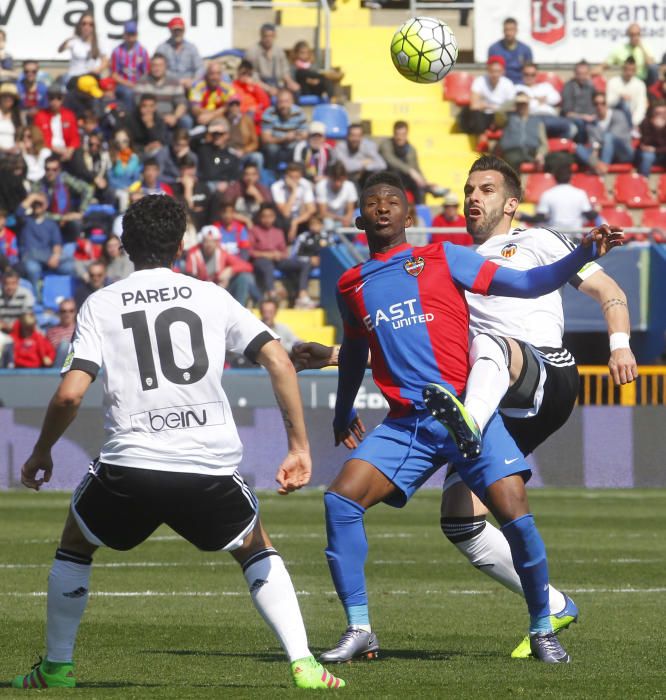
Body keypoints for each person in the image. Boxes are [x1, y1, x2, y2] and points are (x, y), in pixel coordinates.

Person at [293, 157, 633, 660]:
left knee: (490, 344)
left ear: (511, 202)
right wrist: (335, 361)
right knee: (460, 522)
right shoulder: (428, 267)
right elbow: (410, 338)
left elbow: (594, 288)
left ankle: (469, 426)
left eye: (488, 189)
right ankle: (552, 606)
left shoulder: (525, 243)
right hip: (467, 394)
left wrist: (619, 342)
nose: (475, 197)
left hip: (540, 369)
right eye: (469, 188)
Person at [11, 194, 345, 691]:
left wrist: (41, 452)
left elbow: (69, 395)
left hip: (130, 466)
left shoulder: (100, 304)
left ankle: (57, 668)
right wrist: (299, 446)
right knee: (256, 547)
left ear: (124, 244)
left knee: (76, 544)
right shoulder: (211, 295)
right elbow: (278, 359)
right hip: (207, 465)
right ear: (182, 243)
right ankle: (305, 665)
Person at [249, 203, 313, 307]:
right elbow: (250, 252)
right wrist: (266, 255)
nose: (267, 219)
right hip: (261, 260)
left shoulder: (278, 232)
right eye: (264, 216)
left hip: (278, 260)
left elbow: (285, 252)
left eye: (270, 216)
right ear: (260, 217)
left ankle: (302, 294)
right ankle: (272, 294)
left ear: (274, 217)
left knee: (305, 263)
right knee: (266, 265)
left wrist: (278, 254)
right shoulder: (254, 230)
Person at [16, 192, 75, 294]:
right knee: (33, 269)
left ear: (46, 205)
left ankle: (67, 296)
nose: (37, 205)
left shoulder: (51, 223)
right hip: (31, 258)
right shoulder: (25, 220)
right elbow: (18, 212)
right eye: (35, 203)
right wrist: (33, 197)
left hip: (49, 259)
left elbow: (57, 243)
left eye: (40, 203)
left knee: (69, 266)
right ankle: (36, 298)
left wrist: (56, 256)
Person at [516, 163, 600, 232]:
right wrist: (596, 211)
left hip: (556, 236)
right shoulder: (580, 193)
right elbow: (589, 215)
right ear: (571, 177)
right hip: (575, 234)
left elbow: (540, 218)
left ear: (554, 178)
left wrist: (523, 217)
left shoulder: (547, 194)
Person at [185, 224, 254, 306]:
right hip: (201, 291)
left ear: (217, 242)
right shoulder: (194, 254)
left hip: (220, 289)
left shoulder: (222, 253)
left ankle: (241, 307)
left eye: (212, 241)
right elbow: (190, 277)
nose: (209, 244)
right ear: (202, 242)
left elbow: (247, 266)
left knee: (243, 278)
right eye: (206, 241)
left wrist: (230, 270)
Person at [379, 121, 447, 204]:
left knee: (420, 188)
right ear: (394, 134)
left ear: (407, 134)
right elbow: (390, 160)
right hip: (389, 178)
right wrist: (410, 171)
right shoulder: (386, 145)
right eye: (398, 134)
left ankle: (424, 204)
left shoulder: (411, 149)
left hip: (406, 179)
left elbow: (416, 168)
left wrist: (424, 181)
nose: (400, 137)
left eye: (403, 134)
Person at [35, 154, 94, 243]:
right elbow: (39, 213)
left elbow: (88, 189)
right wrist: (62, 218)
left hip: (67, 220)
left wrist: (82, 211)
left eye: (54, 169)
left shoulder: (64, 179)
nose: (50, 172)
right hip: (49, 220)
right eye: (47, 169)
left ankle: (76, 248)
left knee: (76, 224)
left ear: (59, 170)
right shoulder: (38, 185)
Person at [575, 93, 634, 175]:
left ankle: (602, 168)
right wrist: (595, 150)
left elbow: (613, 137)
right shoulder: (591, 124)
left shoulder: (618, 115)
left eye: (603, 103)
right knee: (578, 148)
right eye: (596, 104)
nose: (599, 106)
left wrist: (597, 146)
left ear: (607, 104)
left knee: (608, 137)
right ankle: (597, 166)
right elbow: (594, 144)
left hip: (623, 153)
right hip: (603, 153)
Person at [514, 63, 576, 139]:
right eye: (526, 74)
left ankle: (558, 147)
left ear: (537, 75)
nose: (529, 77)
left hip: (551, 117)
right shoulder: (518, 88)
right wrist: (539, 100)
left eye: (532, 74)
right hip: (532, 117)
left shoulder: (545, 86)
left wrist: (541, 99)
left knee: (572, 128)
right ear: (522, 75)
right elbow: (523, 105)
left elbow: (557, 98)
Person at [459, 57, 515, 135]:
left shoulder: (508, 84)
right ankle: (482, 136)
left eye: (498, 71)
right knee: (470, 112)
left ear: (503, 72)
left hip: (499, 116)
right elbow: (474, 106)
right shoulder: (479, 81)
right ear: (488, 71)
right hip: (483, 116)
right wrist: (497, 107)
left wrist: (488, 106)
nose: (495, 74)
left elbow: (512, 107)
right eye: (492, 71)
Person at [135, 53, 191, 131]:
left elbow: (181, 104)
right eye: (154, 65)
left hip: (170, 117)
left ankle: (182, 142)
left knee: (186, 120)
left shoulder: (174, 82)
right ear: (150, 66)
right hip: (150, 117)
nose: (157, 68)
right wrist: (157, 118)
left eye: (160, 65)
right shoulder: (142, 82)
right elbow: (139, 104)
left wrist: (174, 117)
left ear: (165, 67)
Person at [244, 23, 300, 96]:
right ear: (261, 36)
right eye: (266, 36)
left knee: (295, 90)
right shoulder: (252, 52)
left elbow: (284, 70)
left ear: (275, 36)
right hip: (260, 85)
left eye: (271, 36)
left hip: (277, 84)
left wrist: (290, 82)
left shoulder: (279, 51)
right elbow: (251, 77)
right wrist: (268, 88)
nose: (268, 39)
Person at [496, 92, 547, 172]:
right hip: (513, 151)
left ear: (528, 104)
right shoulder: (508, 118)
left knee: (555, 160)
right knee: (512, 160)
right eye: (519, 104)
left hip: (532, 152)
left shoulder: (537, 121)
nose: (521, 106)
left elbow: (544, 143)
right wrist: (514, 101)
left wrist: (540, 154)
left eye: (524, 104)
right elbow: (498, 112)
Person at [260, 89, 308, 173]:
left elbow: (305, 134)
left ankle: (298, 174)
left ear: (292, 101)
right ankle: (271, 174)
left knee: (301, 147)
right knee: (271, 148)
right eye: (280, 102)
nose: (283, 105)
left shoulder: (299, 112)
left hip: (293, 144)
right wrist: (284, 138)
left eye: (286, 101)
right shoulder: (269, 113)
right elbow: (265, 139)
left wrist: (295, 136)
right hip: (276, 145)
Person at [110, 21, 151, 111]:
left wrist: (139, 84)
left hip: (139, 83)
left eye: (133, 34)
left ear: (137, 34)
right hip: (122, 85)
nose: (131, 36)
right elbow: (114, 74)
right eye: (129, 34)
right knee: (129, 93)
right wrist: (129, 84)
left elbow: (146, 72)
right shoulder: (117, 51)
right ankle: (130, 119)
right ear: (124, 35)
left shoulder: (142, 51)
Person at [271, 162, 316, 241]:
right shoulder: (276, 187)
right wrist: (294, 191)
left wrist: (295, 222)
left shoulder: (306, 184)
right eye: (291, 177)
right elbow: (285, 213)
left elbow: (311, 209)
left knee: (315, 221)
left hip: (300, 217)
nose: (294, 180)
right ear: (286, 176)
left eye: (297, 177)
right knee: (285, 221)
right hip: (283, 219)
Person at [58, 12, 106, 86]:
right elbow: (60, 50)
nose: (87, 26)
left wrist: (98, 70)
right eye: (84, 24)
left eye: (90, 24)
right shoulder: (74, 41)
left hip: (91, 77)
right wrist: (68, 40)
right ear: (80, 25)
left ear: (93, 27)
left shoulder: (98, 42)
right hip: (75, 77)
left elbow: (106, 60)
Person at [34, 86, 80, 162]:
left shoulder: (69, 115)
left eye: (59, 98)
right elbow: (40, 138)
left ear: (62, 99)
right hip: (50, 148)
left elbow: (74, 137)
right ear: (48, 99)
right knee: (44, 153)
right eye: (52, 98)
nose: (55, 101)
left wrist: (69, 151)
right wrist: (57, 150)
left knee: (78, 153)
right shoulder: (40, 116)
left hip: (66, 148)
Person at [155, 16, 203, 90]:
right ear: (170, 30)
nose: (177, 33)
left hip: (189, 85)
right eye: (175, 30)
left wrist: (193, 81)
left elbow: (200, 68)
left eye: (180, 30)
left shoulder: (191, 48)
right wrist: (176, 82)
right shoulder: (162, 48)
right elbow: (157, 68)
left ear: (184, 30)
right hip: (168, 85)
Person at [196, 118, 242, 194]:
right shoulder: (203, 149)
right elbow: (191, 140)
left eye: (221, 134)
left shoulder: (232, 155)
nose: (217, 136)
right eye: (215, 134)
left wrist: (227, 183)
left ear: (227, 135)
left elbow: (235, 176)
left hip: (224, 188)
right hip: (205, 185)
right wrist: (209, 129)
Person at [334, 123, 386, 189]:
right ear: (347, 136)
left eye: (358, 136)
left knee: (374, 176)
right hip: (347, 180)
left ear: (362, 137)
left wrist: (364, 169)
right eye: (352, 135)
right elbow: (344, 167)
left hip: (364, 177)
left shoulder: (368, 145)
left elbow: (382, 165)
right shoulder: (340, 147)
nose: (355, 139)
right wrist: (363, 163)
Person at [224, 162, 272, 227]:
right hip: (236, 224)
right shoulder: (234, 188)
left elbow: (269, 213)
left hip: (258, 225)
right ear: (242, 175)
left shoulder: (263, 189)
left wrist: (257, 196)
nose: (250, 178)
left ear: (258, 176)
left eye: (253, 174)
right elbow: (226, 211)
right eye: (247, 174)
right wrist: (245, 220)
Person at [189, 62, 236, 127]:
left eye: (218, 74)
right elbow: (195, 109)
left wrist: (211, 116)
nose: (215, 77)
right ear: (207, 75)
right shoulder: (197, 86)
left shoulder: (226, 87)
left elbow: (231, 106)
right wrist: (217, 113)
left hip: (219, 119)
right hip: (202, 119)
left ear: (221, 75)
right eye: (212, 74)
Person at [487, 17, 533, 85]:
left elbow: (529, 72)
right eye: (506, 30)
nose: (509, 33)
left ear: (516, 30)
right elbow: (491, 70)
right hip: (500, 86)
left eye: (511, 29)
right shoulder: (494, 49)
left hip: (520, 85)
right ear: (503, 31)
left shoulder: (525, 50)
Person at [606, 57, 648, 129]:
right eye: (627, 69)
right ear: (623, 69)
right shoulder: (613, 82)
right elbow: (608, 103)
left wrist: (634, 122)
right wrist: (619, 98)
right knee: (624, 103)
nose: (629, 73)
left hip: (633, 119)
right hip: (616, 118)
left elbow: (641, 106)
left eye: (632, 70)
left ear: (635, 70)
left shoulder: (640, 84)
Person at [561, 61, 596, 144]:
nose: (582, 77)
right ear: (575, 73)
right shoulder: (568, 87)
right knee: (580, 124)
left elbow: (597, 104)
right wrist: (584, 117)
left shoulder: (591, 87)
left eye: (584, 74)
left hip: (590, 118)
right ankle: (580, 149)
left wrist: (594, 115)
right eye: (579, 74)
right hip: (575, 119)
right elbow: (568, 113)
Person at [315, 161, 357, 231]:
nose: (338, 184)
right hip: (328, 219)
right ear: (329, 177)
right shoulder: (321, 186)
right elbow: (322, 213)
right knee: (328, 225)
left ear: (345, 178)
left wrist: (347, 218)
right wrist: (341, 219)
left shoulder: (350, 186)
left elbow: (350, 210)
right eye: (335, 180)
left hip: (344, 218)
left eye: (340, 180)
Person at [636, 101, 666, 176]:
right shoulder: (646, 122)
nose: (661, 115)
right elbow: (646, 144)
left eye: (664, 113)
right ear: (652, 112)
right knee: (647, 156)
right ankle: (643, 181)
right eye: (658, 113)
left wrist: (656, 149)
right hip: (648, 154)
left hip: (663, 153)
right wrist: (656, 128)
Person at [46, 298, 77, 366]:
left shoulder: (80, 329)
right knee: (64, 345)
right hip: (58, 366)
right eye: (64, 311)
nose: (67, 314)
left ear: (75, 312)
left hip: (75, 365)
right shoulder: (51, 331)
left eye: (71, 311)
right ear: (59, 312)